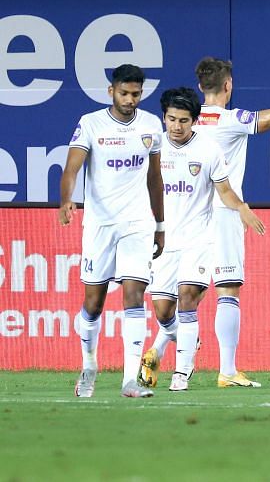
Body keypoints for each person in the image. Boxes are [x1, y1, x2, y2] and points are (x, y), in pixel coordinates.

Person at [139, 42, 270, 389]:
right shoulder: (233, 120)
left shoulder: (182, 125)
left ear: (200, 87)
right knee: (226, 290)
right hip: (224, 213)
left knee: (184, 297)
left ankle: (162, 346)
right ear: (228, 86)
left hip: (182, 216)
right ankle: (226, 369)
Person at [141, 88, 265, 392]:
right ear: (163, 118)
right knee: (163, 312)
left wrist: (241, 207)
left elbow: (224, 189)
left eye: (183, 120)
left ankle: (181, 373)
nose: (177, 126)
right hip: (164, 240)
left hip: (199, 238)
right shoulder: (152, 148)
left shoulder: (208, 150)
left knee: (187, 301)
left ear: (194, 121)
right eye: (171, 119)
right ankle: (187, 338)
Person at [59, 64, 165, 398]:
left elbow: (154, 178)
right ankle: (89, 365)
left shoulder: (151, 125)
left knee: (134, 295)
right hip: (100, 225)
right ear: (111, 91)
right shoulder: (91, 123)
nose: (130, 99)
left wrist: (160, 224)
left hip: (137, 224)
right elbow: (72, 167)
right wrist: (66, 200)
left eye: (136, 94)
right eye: (124, 93)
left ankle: (130, 381)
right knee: (93, 303)